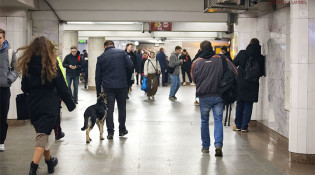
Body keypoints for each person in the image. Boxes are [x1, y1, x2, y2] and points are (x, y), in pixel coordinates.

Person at [15, 36, 76, 175]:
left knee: (42, 134)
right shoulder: (51, 64)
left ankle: (50, 162)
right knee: (42, 135)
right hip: (49, 104)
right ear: (48, 49)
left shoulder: (27, 64)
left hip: (33, 105)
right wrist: (70, 104)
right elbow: (62, 87)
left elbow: (24, 87)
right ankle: (33, 167)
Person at [192, 40, 237, 156]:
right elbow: (234, 71)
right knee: (218, 120)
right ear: (211, 47)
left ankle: (205, 147)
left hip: (204, 96)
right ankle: (218, 145)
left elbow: (194, 79)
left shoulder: (197, 62)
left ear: (201, 49)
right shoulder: (221, 58)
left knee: (204, 121)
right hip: (219, 95)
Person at [96, 40, 133, 139]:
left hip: (108, 87)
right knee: (122, 108)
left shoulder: (101, 57)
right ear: (113, 45)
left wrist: (98, 91)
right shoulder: (122, 53)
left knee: (109, 110)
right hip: (122, 85)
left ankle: (110, 133)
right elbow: (130, 66)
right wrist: (127, 80)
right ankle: (122, 130)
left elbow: (97, 76)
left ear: (105, 46)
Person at [232, 38, 265, 132]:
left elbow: (233, 64)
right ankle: (244, 127)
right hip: (253, 84)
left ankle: (238, 125)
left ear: (249, 44)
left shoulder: (242, 53)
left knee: (239, 104)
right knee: (248, 105)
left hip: (241, 83)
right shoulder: (261, 57)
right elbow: (262, 72)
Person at [0, 28, 18, 152]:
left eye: (0, 37)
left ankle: (1, 141)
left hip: (4, 89)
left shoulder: (10, 52)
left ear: (4, 39)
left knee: (2, 116)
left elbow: (16, 69)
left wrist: (8, 80)